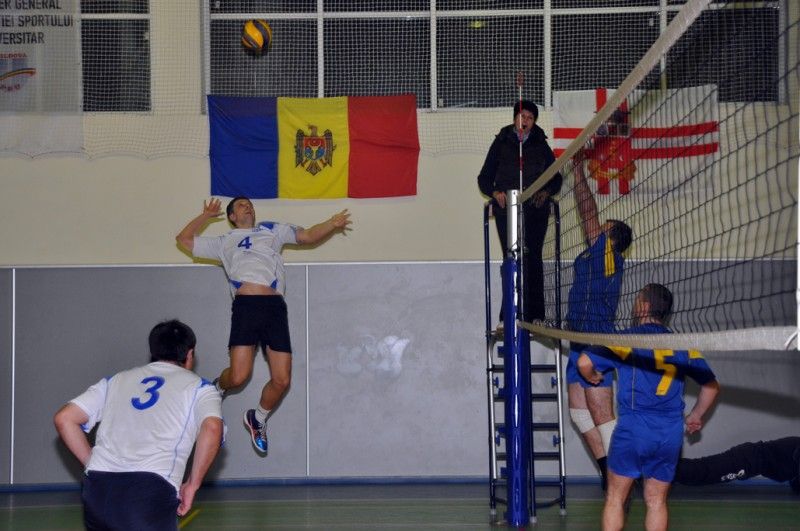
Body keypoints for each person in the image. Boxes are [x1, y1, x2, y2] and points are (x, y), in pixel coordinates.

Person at [176, 196, 351, 455]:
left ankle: (257, 418)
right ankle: (218, 386)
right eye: (241, 205)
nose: (248, 206)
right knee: (238, 376)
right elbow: (183, 239)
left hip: (274, 308)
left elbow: (308, 235)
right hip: (245, 307)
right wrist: (205, 216)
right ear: (232, 216)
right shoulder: (224, 242)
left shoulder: (272, 230)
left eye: (250, 204)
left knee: (282, 380)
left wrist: (331, 224)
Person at [53, 319, 223, 531]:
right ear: (190, 354)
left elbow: (64, 418)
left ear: (153, 351)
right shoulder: (200, 388)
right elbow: (212, 428)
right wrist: (192, 484)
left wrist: (92, 463)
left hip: (98, 491)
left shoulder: (116, 380)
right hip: (149, 491)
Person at [577, 283, 720, 531]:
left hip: (634, 428)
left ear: (643, 307)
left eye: (637, 300)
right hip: (669, 433)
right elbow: (711, 387)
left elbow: (583, 362)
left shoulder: (626, 339)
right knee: (656, 501)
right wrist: (696, 415)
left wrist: (592, 376)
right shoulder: (683, 345)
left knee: (615, 498)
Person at [565, 149, 633, 490]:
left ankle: (622, 475)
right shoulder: (595, 256)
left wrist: (578, 172)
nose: (598, 229)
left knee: (601, 411)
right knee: (579, 412)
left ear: (612, 238)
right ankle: (609, 473)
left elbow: (587, 212)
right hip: (579, 337)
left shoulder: (608, 255)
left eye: (605, 229)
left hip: (597, 340)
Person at [477, 100, 563, 323]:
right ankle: (509, 315)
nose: (525, 121)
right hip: (507, 210)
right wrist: (495, 193)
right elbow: (484, 178)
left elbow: (557, 179)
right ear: (514, 118)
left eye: (530, 118)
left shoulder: (541, 144)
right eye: (521, 116)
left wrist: (546, 192)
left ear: (534, 122)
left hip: (535, 210)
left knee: (533, 257)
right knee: (511, 259)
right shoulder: (501, 142)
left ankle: (536, 316)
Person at [674, 436, 800, 493]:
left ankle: (665, 468)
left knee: (702, 471)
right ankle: (663, 468)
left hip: (751, 460)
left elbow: (795, 485)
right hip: (748, 459)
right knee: (702, 472)